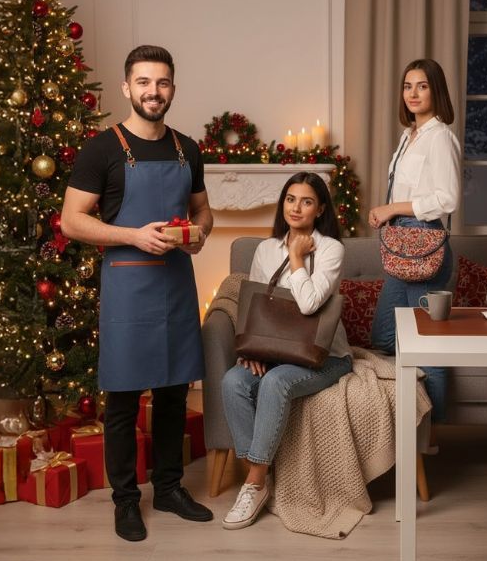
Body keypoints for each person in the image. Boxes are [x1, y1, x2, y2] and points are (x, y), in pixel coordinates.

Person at [61, 45, 214, 542]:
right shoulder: (103, 149)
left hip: (175, 284)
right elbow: (72, 221)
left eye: (163, 82)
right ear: (127, 88)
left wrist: (197, 234)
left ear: (172, 88)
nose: (154, 91)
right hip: (128, 285)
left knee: (173, 394)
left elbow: (203, 212)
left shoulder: (186, 149)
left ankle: (168, 488)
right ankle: (125, 500)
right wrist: (132, 235)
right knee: (124, 399)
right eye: (144, 82)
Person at [220, 172, 353, 530]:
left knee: (275, 383)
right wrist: (253, 348)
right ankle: (258, 470)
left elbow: (309, 305)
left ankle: (254, 483)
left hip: (325, 357)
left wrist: (296, 257)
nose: (296, 207)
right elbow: (257, 309)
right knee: (233, 380)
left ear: (320, 208)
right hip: (276, 351)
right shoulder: (265, 250)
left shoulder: (330, 249)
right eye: (290, 199)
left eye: (307, 201)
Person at [366, 58, 461, 424]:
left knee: (426, 343)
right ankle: (410, 414)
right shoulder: (409, 136)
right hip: (401, 240)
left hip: (423, 242)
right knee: (385, 335)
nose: (413, 93)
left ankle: (430, 435)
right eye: (408, 86)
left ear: (435, 91)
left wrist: (392, 207)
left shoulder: (440, 137)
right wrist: (389, 213)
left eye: (422, 86)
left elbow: (447, 198)